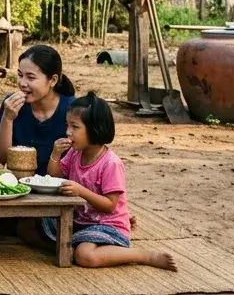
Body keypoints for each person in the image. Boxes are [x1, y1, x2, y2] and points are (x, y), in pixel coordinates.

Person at [23, 93, 176, 270]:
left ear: (94, 129)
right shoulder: (75, 153)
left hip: (106, 225)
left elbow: (110, 205)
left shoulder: (110, 163)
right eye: (67, 126)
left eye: (75, 127)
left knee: (85, 256)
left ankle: (145, 255)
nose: (68, 132)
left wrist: (81, 191)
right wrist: (55, 154)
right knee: (26, 228)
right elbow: (54, 175)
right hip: (79, 221)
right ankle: (66, 248)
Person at [0, 45, 76, 175]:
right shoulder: (11, 105)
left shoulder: (73, 110)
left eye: (31, 77)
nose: (22, 83)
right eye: (20, 75)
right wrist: (7, 118)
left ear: (52, 80)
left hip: (61, 189)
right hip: (19, 186)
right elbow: (0, 159)